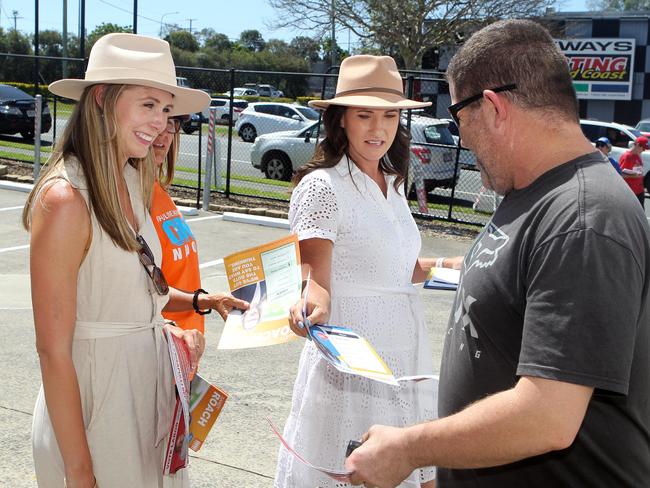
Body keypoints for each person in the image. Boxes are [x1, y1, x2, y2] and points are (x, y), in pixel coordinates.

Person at [345, 19, 650, 488]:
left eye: (458, 120)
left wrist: (409, 448)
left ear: (492, 107)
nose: (462, 139)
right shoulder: (535, 195)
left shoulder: (583, 217)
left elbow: (547, 414)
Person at [24, 33, 211, 487]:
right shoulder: (66, 199)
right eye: (148, 105)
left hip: (146, 399)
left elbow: (137, 293)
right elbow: (53, 349)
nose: (160, 123)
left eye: (166, 110)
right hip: (97, 408)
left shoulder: (132, 178)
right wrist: (80, 470)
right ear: (103, 99)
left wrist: (200, 302)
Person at [276, 55, 444, 488]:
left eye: (390, 115)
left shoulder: (394, 183)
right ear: (341, 121)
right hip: (354, 365)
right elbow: (315, 282)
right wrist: (309, 307)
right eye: (364, 115)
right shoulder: (322, 186)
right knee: (354, 471)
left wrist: (459, 267)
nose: (378, 128)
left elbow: (397, 269)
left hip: (405, 349)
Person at [149, 116, 248, 332]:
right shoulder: (132, 200)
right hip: (156, 344)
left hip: (183, 343)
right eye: (157, 119)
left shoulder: (158, 191)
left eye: (172, 123)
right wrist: (206, 300)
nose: (164, 132)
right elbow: (141, 293)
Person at [619, 135, 647, 207]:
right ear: (637, 145)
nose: (643, 150)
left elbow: (638, 170)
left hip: (639, 191)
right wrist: (634, 175)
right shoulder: (627, 157)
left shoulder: (637, 155)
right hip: (631, 192)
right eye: (643, 148)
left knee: (641, 215)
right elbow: (620, 175)